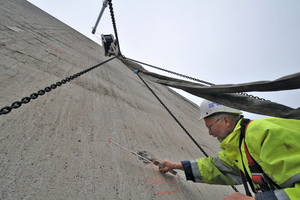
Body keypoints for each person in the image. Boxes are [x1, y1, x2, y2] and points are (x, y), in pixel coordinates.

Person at [159, 100, 300, 200]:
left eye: (210, 127)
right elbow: (214, 167)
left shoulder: (263, 134)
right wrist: (176, 166)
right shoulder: (240, 144)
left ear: (226, 120)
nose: (210, 133)